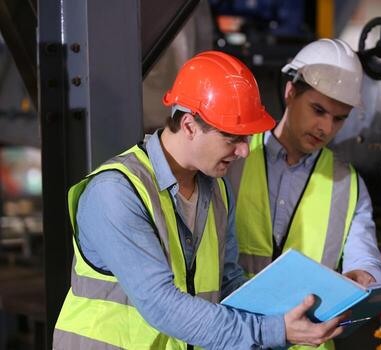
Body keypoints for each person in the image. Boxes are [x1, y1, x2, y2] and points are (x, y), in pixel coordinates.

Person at [53, 51, 349, 350]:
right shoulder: (117, 192)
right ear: (190, 126)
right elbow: (160, 304)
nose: (245, 151)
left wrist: (295, 314)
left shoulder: (218, 190)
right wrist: (272, 330)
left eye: (246, 139)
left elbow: (227, 283)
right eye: (233, 139)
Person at [227, 39, 381, 349]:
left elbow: (366, 258)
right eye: (318, 110)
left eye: (339, 118)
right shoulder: (234, 158)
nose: (325, 127)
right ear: (290, 92)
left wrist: (362, 276)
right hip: (237, 334)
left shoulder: (347, 183)